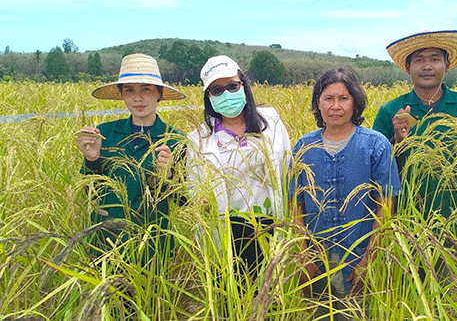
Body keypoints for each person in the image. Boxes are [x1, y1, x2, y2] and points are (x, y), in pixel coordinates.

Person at [373, 30, 457, 228]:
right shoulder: (391, 111)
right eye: (419, 60)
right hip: (404, 221)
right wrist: (397, 141)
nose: (427, 66)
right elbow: (376, 171)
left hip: (454, 217)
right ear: (407, 67)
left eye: (435, 59)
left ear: (446, 65)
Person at [289, 67, 401, 299]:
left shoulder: (376, 145)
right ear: (318, 103)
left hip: (360, 257)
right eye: (328, 98)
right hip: (316, 261)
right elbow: (295, 207)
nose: (336, 106)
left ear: (355, 102)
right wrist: (303, 257)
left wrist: (368, 259)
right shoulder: (303, 147)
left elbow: (386, 208)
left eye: (344, 98)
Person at [76, 53, 187, 265]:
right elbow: (90, 193)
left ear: (159, 94)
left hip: (153, 246)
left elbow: (183, 201)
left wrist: (169, 176)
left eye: (146, 89)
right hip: (107, 242)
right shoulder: (104, 134)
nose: (137, 98)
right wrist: (92, 159)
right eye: (129, 90)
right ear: (122, 95)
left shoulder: (174, 139)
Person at [186, 55, 291, 278]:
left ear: (243, 85)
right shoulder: (198, 139)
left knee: (270, 300)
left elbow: (287, 168)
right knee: (232, 302)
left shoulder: (271, 121)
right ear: (208, 97)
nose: (226, 94)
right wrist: (202, 203)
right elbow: (194, 189)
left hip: (270, 226)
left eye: (232, 86)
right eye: (217, 90)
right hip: (227, 233)